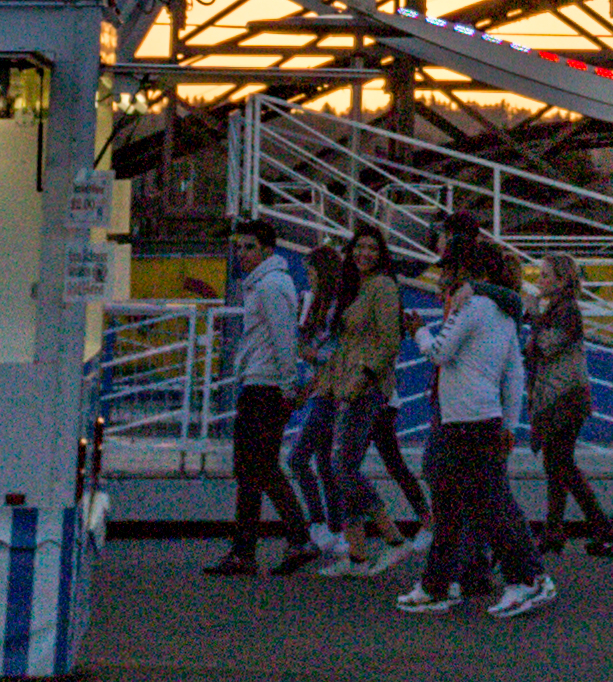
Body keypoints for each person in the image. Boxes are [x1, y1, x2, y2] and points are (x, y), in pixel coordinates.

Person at [411, 225, 549, 621]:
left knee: (485, 502)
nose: (443, 277)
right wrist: (510, 421)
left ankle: (527, 577)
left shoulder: (474, 306)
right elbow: (514, 371)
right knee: (463, 500)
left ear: (467, 270)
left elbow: (439, 352)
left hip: (466, 417)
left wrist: (419, 331)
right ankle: (442, 583)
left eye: (449, 268)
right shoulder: (500, 309)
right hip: (475, 415)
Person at [300, 223, 412, 571]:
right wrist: (330, 385)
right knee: (342, 468)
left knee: (342, 469)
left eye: (372, 249)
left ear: (382, 256)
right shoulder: (358, 286)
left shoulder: (382, 286)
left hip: (365, 388)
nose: (364, 254)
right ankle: (358, 554)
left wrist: (363, 379)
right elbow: (345, 346)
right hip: (343, 387)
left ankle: (394, 537)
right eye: (359, 247)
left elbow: (390, 342)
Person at [213, 215, 312, 574]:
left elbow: (284, 339)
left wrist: (288, 385)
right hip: (263, 384)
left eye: (249, 247)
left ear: (268, 250)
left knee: (254, 468)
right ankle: (280, 542)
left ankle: (253, 550)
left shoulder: (270, 286)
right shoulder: (265, 284)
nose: (242, 253)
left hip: (265, 387)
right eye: (239, 247)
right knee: (257, 468)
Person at [527, 253, 610, 550]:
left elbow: (548, 345)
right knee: (557, 464)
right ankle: (555, 529)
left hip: (565, 396)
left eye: (545, 275)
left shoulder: (567, 311)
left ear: (562, 281)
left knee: (561, 464)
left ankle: (598, 524)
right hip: (559, 396)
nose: (540, 281)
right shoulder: (558, 309)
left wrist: (534, 315)